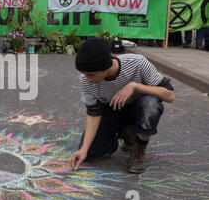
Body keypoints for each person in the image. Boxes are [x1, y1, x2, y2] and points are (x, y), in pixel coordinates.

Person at [69, 38, 175, 174]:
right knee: (90, 155)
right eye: (85, 74)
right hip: (112, 110)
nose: (88, 79)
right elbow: (93, 114)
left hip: (138, 108)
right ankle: (123, 134)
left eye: (91, 75)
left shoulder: (137, 62)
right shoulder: (86, 79)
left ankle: (138, 149)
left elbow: (169, 96)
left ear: (106, 66)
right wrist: (84, 149)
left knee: (150, 104)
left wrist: (135, 86)